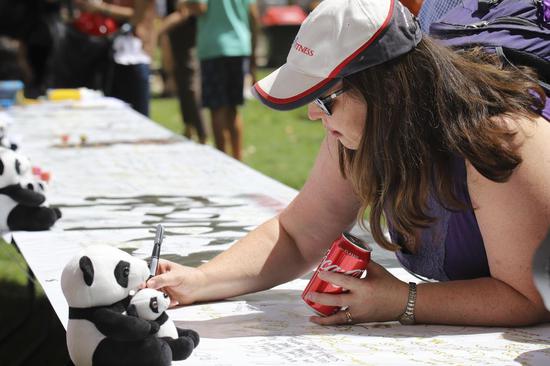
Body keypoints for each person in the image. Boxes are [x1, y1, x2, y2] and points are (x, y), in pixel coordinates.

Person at [146, 0, 550, 327]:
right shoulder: (363, 131)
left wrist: (403, 301)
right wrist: (198, 281)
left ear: (387, 90)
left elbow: (527, 297)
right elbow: (296, 234)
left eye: (324, 99)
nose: (313, 116)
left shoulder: (500, 138)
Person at [176, 0, 260, 160]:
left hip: (214, 48)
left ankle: (223, 160)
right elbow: (253, 15)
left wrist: (184, 3)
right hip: (240, 46)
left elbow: (201, 7)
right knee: (233, 109)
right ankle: (238, 159)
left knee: (217, 109)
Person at [75, 0, 157, 116]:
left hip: (136, 56)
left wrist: (102, 8)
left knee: (139, 117)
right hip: (110, 55)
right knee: (112, 116)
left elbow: (137, 16)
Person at [158, 0, 207, 143]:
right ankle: (189, 128)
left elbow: (184, 12)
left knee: (190, 87)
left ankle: (202, 134)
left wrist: (158, 31)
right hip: (176, 37)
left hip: (187, 38)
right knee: (182, 84)